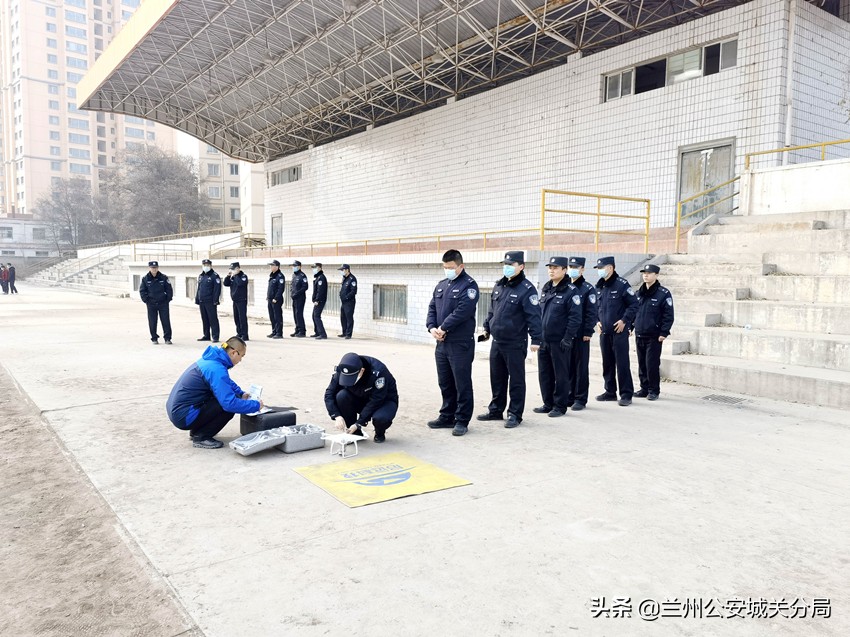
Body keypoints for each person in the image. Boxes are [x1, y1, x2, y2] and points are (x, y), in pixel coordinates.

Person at [477, 251, 543, 428]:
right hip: (497, 341)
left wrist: (536, 339)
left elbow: (534, 316)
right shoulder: (500, 285)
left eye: (510, 264)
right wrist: (487, 327)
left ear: (521, 267)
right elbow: (492, 310)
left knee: (516, 380)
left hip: (515, 343)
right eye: (505, 264)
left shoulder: (527, 289)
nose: (506, 267)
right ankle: (496, 410)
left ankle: (515, 414)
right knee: (497, 378)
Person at [166, 337, 263, 449]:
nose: (241, 360)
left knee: (230, 397)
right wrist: (256, 405)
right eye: (241, 356)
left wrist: (241, 393)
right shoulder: (216, 369)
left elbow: (226, 382)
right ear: (234, 353)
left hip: (179, 411)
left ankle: (196, 431)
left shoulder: (212, 360)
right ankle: (201, 437)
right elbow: (229, 404)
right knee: (228, 407)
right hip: (184, 416)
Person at [426, 249, 479, 437]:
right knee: (445, 382)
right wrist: (432, 327)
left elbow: (463, 311)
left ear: (460, 266)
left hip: (459, 343)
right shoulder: (441, 285)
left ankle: (462, 420)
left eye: (450, 267)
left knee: (461, 382)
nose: (447, 270)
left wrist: (444, 327)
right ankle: (447, 415)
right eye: (444, 267)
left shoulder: (469, 286)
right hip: (441, 343)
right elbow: (432, 307)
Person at [534, 256, 582, 418]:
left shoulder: (571, 291)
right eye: (550, 268)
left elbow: (575, 318)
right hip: (544, 340)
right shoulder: (547, 289)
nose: (551, 270)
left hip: (559, 341)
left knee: (560, 374)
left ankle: (560, 406)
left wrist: (568, 338)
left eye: (555, 268)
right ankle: (548, 403)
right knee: (544, 373)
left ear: (564, 270)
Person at [324, 352, 398, 443]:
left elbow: (376, 400)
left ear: (361, 371)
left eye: (351, 378)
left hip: (383, 401)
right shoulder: (342, 370)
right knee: (342, 396)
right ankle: (355, 433)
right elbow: (329, 394)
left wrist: (359, 422)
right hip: (360, 397)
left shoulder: (379, 372)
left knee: (381, 418)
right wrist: (336, 415)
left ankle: (380, 432)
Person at [595, 256, 638, 406]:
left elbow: (634, 305)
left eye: (602, 268)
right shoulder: (599, 286)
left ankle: (626, 394)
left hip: (619, 332)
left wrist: (624, 321)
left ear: (611, 268)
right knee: (607, 363)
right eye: (598, 269)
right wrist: (597, 322)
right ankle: (610, 392)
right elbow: (595, 307)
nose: (599, 271)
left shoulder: (622, 285)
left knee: (622, 363)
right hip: (604, 332)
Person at [632, 264, 674, 401]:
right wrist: (630, 327)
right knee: (642, 364)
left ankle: (653, 390)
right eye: (644, 273)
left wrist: (664, 332)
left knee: (652, 364)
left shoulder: (663, 293)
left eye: (649, 273)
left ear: (656, 275)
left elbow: (668, 315)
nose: (646, 275)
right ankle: (644, 388)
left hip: (654, 336)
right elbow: (633, 312)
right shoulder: (639, 293)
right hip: (640, 333)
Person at [565, 257, 597, 411]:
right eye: (570, 266)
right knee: (568, 367)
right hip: (566, 334)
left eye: (575, 267)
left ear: (582, 269)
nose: (572, 269)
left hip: (580, 334)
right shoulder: (565, 286)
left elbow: (591, 312)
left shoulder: (587, 288)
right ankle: (569, 396)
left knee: (581, 367)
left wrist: (588, 331)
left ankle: (580, 398)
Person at [139, 260, 173, 344]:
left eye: (155, 267)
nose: (154, 269)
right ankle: (154, 338)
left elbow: (169, 289)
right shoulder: (145, 279)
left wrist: (167, 299)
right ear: (149, 268)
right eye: (152, 268)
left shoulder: (164, 277)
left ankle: (167, 338)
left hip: (163, 303)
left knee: (166, 321)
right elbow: (142, 291)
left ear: (158, 268)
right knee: (152, 321)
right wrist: (146, 300)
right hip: (151, 304)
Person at [195, 258, 221, 342]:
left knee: (212, 319)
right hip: (202, 300)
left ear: (210, 266)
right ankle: (206, 335)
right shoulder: (201, 276)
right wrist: (197, 298)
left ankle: (215, 336)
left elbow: (217, 289)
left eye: (207, 265)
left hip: (210, 301)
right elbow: (199, 288)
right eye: (204, 265)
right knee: (204, 319)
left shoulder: (214, 276)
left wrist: (215, 300)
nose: (206, 267)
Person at [223, 261, 250, 340]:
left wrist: (236, 275)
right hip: (235, 300)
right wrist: (228, 276)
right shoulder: (233, 277)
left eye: (233, 269)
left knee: (242, 318)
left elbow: (240, 284)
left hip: (242, 300)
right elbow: (226, 283)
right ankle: (239, 333)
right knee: (236, 317)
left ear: (238, 269)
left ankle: (245, 335)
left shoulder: (243, 276)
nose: (232, 271)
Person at [266, 259, 286, 339]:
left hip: (276, 300)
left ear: (277, 267)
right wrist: (268, 296)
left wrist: (276, 298)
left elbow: (281, 289)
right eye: (270, 266)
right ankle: (274, 331)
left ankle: (279, 333)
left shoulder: (280, 276)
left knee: (277, 316)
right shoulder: (272, 275)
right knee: (272, 316)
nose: (271, 267)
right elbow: (270, 288)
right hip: (270, 299)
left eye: (272, 265)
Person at [338, 264, 357, 339]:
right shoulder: (345, 278)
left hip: (349, 302)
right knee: (343, 317)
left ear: (347, 270)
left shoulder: (352, 279)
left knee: (349, 317)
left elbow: (353, 291)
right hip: (344, 302)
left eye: (342, 270)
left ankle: (348, 334)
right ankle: (344, 332)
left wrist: (346, 297)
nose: (341, 272)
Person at [290, 260, 309, 337]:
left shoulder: (302, 276)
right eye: (293, 266)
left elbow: (305, 287)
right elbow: (292, 286)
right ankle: (297, 330)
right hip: (294, 298)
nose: (293, 268)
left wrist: (296, 294)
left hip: (300, 298)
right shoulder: (294, 275)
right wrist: (292, 293)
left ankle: (302, 331)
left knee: (299, 314)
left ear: (299, 267)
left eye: (295, 266)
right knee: (295, 314)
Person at [311, 262, 328, 339]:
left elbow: (320, 291)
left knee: (316, 316)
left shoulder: (321, 278)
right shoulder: (318, 277)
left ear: (319, 268)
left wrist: (317, 300)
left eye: (315, 268)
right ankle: (317, 332)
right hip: (317, 300)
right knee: (314, 316)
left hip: (320, 301)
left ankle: (322, 334)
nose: (313, 269)